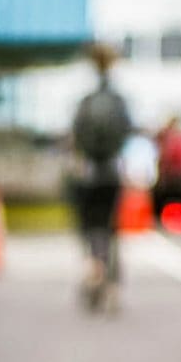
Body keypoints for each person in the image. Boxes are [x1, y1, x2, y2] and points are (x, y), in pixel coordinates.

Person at [68, 47, 132, 311]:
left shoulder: (85, 102)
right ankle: (113, 281)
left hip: (89, 173)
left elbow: (76, 135)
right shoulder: (118, 102)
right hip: (112, 171)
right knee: (111, 226)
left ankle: (94, 266)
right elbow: (126, 130)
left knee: (89, 226)